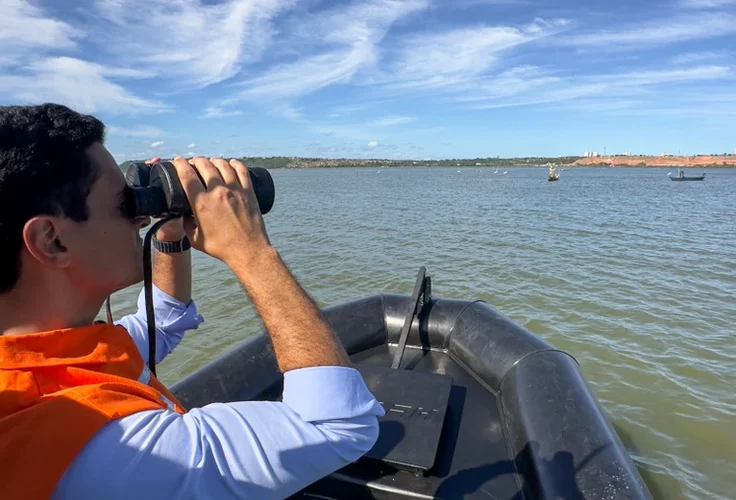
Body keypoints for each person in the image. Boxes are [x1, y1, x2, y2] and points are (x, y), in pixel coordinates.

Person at [0, 103, 384, 499]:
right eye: (124, 204)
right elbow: (338, 424)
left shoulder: (43, 358)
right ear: (52, 240)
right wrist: (249, 249)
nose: (139, 219)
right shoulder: (108, 449)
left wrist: (170, 232)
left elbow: (164, 319)